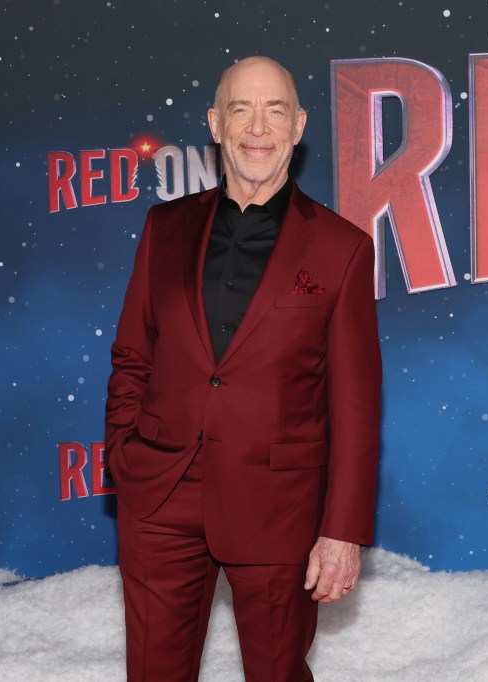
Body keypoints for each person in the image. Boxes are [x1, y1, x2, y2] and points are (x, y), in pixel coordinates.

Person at [105, 55, 381, 682]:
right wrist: (126, 449)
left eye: (275, 110)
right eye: (241, 109)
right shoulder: (164, 226)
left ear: (299, 124)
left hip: (278, 506)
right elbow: (132, 356)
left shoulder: (341, 249)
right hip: (160, 492)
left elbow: (356, 405)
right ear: (215, 123)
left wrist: (341, 530)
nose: (258, 127)